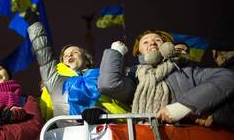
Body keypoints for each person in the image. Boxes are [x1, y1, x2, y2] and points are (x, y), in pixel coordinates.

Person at [93, 30, 234, 130]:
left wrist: (184, 106)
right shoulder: (135, 77)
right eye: (145, 42)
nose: (152, 43)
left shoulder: (186, 70)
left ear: (168, 47)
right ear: (139, 51)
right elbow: (108, 85)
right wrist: (116, 53)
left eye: (158, 40)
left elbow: (227, 77)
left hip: (188, 139)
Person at [24, 9, 102, 118]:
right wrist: (34, 25)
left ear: (87, 60)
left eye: (74, 52)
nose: (69, 55)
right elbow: (43, 51)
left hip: (102, 131)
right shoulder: (55, 79)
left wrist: (101, 113)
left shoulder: (100, 77)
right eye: (66, 55)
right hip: (66, 133)